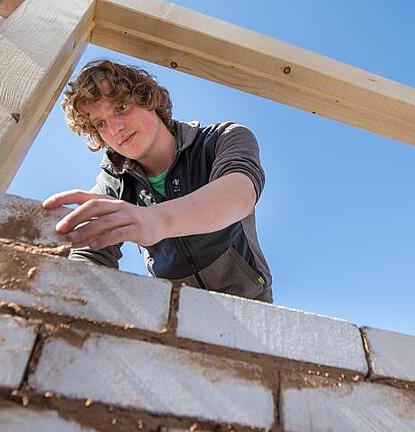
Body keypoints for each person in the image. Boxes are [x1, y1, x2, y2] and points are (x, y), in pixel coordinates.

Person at [42, 60, 273, 303]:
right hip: (172, 310)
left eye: (120, 107)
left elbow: (239, 194)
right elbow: (90, 254)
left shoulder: (221, 138)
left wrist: (156, 219)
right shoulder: (113, 181)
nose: (115, 128)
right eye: (100, 123)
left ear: (148, 99)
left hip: (248, 299)